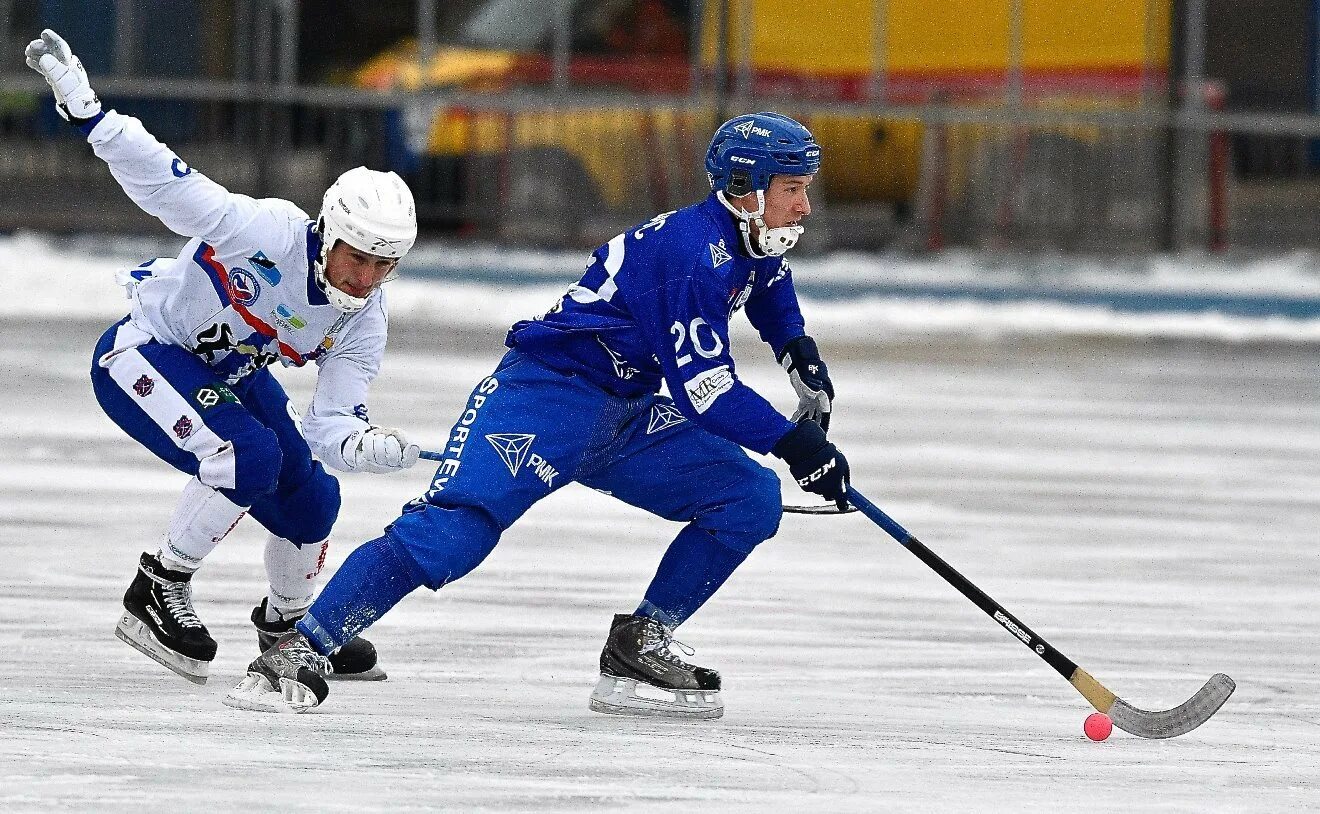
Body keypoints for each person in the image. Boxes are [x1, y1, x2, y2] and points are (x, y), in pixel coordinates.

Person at [226, 110, 850, 717]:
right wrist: (796, 445)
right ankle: (301, 647)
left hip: (625, 413)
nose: (803, 206)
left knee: (749, 497)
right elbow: (707, 391)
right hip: (545, 398)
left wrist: (798, 352)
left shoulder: (750, 235)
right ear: (744, 188)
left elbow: (768, 283)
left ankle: (642, 641)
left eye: (803, 189)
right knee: (457, 529)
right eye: (791, 189)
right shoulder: (689, 255)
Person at [25, 30, 424, 686]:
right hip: (144, 353)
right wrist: (87, 108)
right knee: (248, 455)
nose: (365, 278)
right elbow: (167, 182)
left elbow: (332, 425)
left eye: (385, 265)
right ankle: (159, 584)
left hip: (227, 376)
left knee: (314, 499)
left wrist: (365, 442)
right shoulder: (264, 232)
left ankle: (286, 625)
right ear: (327, 235)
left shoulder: (365, 319)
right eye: (358, 256)